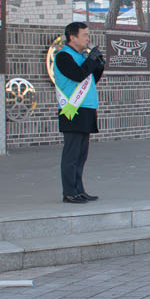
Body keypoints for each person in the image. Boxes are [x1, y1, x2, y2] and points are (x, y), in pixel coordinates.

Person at [54, 22, 106, 203]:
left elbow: (91, 78)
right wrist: (90, 60)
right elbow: (77, 75)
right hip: (72, 109)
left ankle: (79, 189)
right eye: (84, 35)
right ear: (72, 37)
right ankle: (69, 192)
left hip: (86, 108)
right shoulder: (63, 56)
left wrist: (98, 64)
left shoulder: (82, 56)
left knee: (81, 154)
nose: (87, 39)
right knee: (72, 153)